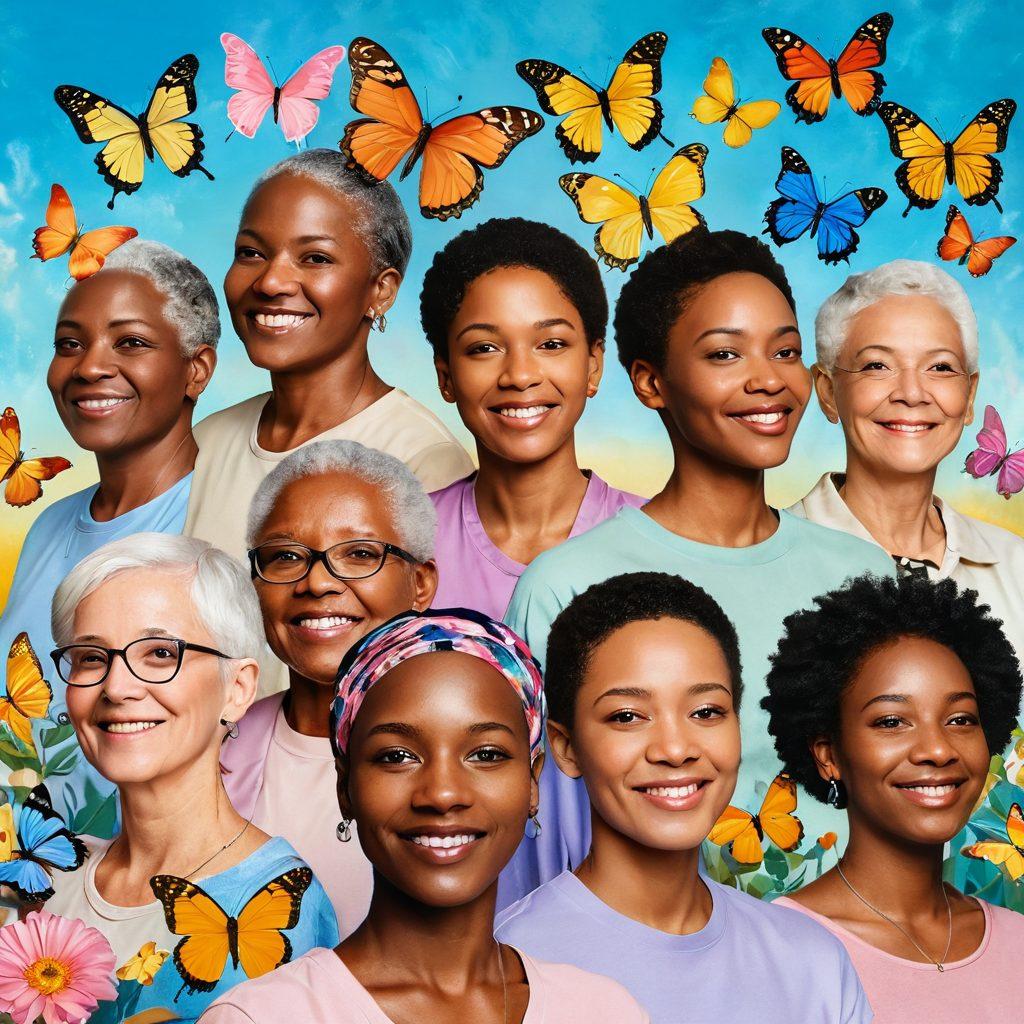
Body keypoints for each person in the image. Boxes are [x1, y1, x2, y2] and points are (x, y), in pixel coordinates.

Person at [502, 230, 894, 905]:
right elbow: (534, 850)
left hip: (854, 965)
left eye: (786, 351)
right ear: (652, 383)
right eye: (724, 354)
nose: (769, 378)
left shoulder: (864, 575)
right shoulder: (564, 587)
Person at [201, 610, 649, 1022]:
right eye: (397, 756)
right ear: (346, 787)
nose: (442, 793)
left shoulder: (605, 1010)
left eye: (486, 754)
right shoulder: (262, 1017)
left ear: (532, 783)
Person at [497, 573, 871, 1023]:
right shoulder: (505, 965)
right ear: (566, 747)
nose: (675, 749)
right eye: (628, 716)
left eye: (706, 711)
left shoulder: (813, 961)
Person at [45, 534, 338, 1023]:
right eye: (92, 658)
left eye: (160, 653)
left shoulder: (283, 905)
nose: (117, 688)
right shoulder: (49, 876)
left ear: (237, 688)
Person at [0, 240, 219, 836]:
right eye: (70, 343)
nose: (90, 366)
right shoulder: (50, 524)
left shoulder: (218, 522)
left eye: (131, 343)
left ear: (196, 370)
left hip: (132, 901)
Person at [185, 148, 473, 568]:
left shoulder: (422, 460)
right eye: (252, 253)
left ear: (382, 291)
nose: (270, 282)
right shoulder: (205, 442)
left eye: (315, 258)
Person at [763, 574, 1024, 1022]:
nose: (938, 750)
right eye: (891, 722)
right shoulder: (770, 952)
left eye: (960, 719)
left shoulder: (1018, 942)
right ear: (828, 755)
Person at [222, 439, 438, 936]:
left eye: (360, 553)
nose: (316, 582)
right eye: (284, 557)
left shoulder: (481, 754)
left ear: (421, 583)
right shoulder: (207, 752)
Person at [790, 258, 1024, 663]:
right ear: (828, 391)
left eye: (940, 367)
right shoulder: (767, 556)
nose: (912, 393)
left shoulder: (1016, 566)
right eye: (877, 365)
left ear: (969, 397)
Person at [421, 218, 645, 620]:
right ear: (446, 376)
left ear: (593, 367)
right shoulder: (402, 544)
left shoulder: (659, 540)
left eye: (551, 344)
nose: (520, 375)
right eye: (484, 348)